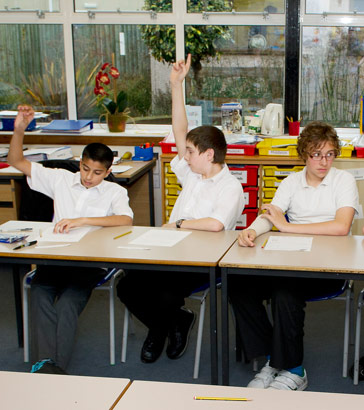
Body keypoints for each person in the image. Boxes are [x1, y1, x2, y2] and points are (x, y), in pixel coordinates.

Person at [117, 54, 245, 364]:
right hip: (168, 250)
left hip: (200, 261)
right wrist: (176, 86)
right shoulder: (192, 172)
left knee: (164, 292)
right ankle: (174, 323)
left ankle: (158, 331)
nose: (183, 156)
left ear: (209, 154)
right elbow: (180, 130)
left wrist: (177, 225)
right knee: (127, 284)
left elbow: (215, 225)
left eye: (190, 152)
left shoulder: (231, 187)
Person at [229, 121, 359, 391]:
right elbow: (271, 214)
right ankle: (274, 360)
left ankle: (295, 370)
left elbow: (341, 227)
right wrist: (251, 231)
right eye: (316, 154)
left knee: (285, 293)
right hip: (292, 260)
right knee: (239, 285)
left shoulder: (343, 180)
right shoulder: (291, 182)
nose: (324, 162)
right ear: (304, 155)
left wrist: (287, 227)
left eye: (330, 154)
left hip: (329, 267)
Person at [8, 105, 133, 374]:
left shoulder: (113, 191)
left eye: (96, 172)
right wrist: (19, 130)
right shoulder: (60, 179)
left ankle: (55, 368)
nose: (88, 177)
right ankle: (47, 364)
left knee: (66, 304)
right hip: (55, 256)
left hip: (88, 263)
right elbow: (16, 161)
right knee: (39, 294)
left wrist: (83, 221)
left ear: (108, 171)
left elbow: (125, 220)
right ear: (80, 163)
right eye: (85, 169)